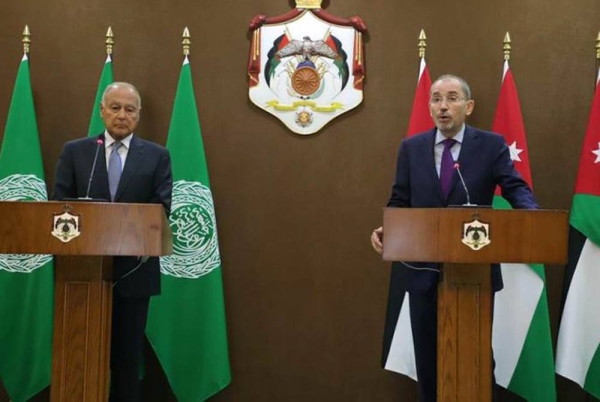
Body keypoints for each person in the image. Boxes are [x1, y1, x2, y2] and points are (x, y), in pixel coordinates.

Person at [370, 74, 538, 402]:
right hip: (422, 274)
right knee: (429, 366)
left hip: (473, 276)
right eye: (436, 99)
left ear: (469, 106)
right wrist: (388, 228)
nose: (443, 106)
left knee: (476, 362)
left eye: (452, 98)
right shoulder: (411, 148)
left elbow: (515, 186)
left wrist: (531, 216)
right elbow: (399, 201)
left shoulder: (490, 145)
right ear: (429, 106)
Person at [52, 82, 173, 402]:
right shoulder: (76, 152)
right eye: (115, 107)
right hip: (82, 275)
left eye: (130, 109)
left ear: (138, 115)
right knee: (81, 352)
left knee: (126, 359)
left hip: (134, 274)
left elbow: (161, 211)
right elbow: (58, 206)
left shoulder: (157, 156)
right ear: (102, 111)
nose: (122, 115)